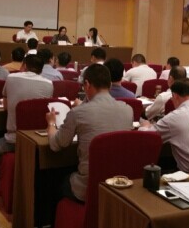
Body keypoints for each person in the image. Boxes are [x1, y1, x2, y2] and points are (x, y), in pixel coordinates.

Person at [46, 64, 133, 201]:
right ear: (110, 85)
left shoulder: (78, 112)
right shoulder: (128, 109)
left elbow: (56, 145)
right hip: (118, 185)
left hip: (88, 187)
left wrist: (51, 123)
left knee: (53, 180)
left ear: (86, 84)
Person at [0, 55, 53, 170]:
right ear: (41, 70)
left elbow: (5, 107)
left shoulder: (11, 77)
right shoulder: (49, 84)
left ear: (24, 66)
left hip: (14, 140)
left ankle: (11, 175)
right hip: (38, 139)